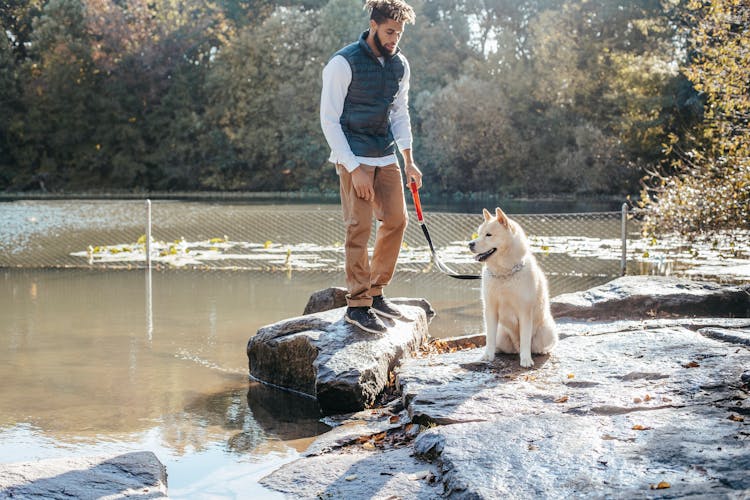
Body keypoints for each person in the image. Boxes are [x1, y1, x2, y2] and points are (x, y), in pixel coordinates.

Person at [320, 0, 422, 334]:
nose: (395, 39)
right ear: (374, 25)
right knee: (359, 228)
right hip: (353, 155)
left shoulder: (400, 65)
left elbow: (399, 112)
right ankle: (358, 304)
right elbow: (329, 120)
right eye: (390, 31)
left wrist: (408, 160)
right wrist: (353, 167)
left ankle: (377, 292)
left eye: (400, 33)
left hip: (385, 154)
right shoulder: (342, 62)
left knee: (396, 220)